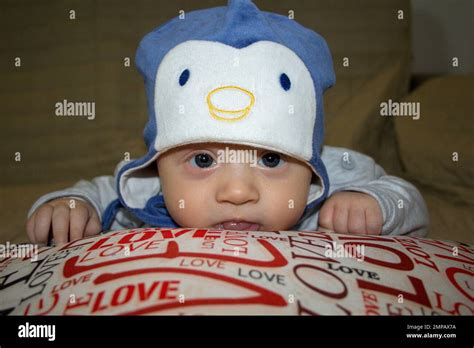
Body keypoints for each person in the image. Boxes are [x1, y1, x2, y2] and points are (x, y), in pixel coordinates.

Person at [25, 0, 429, 245]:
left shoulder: (332, 185)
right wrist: (70, 207)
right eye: (202, 160)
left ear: (310, 168)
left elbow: (408, 199)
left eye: (271, 159)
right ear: (157, 164)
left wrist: (374, 205)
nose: (237, 192)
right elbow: (91, 193)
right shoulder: (141, 192)